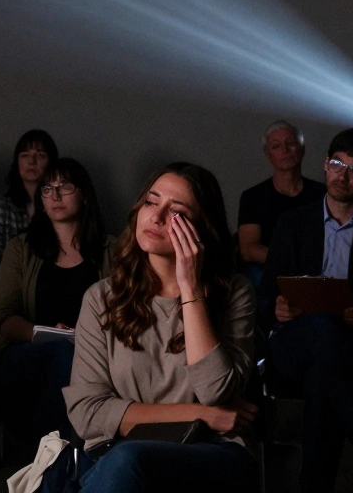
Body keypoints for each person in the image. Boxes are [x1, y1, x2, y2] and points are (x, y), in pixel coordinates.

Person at [63, 163, 258, 493]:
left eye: (177, 211)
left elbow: (216, 391)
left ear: (202, 228)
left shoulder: (235, 292)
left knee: (127, 461)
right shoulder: (101, 298)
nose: (157, 216)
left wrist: (190, 289)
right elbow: (88, 413)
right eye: (151, 202)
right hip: (118, 451)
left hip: (209, 451)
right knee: (124, 460)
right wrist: (202, 413)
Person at [257, 127, 353, 493]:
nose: (343, 175)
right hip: (292, 344)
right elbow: (264, 297)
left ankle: (314, 485)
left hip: (352, 345)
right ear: (325, 165)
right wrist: (277, 309)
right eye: (338, 164)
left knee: (321, 377)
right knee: (322, 327)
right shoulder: (293, 223)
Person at [0, 157, 106, 446]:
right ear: (41, 200)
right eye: (47, 189)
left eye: (64, 186)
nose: (55, 195)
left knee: (78, 361)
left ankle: (62, 458)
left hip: (95, 354)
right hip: (26, 353)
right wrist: (48, 334)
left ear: (85, 195)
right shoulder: (21, 249)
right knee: (63, 354)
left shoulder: (111, 249)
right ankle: (54, 458)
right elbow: (5, 318)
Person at [0, 129, 60, 334]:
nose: (31, 161)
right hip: (10, 285)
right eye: (25, 155)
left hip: (52, 284)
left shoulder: (60, 204)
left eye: (40, 155)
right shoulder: (2, 206)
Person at [236, 121, 326, 288]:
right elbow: (248, 250)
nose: (285, 150)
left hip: (314, 274)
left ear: (302, 149)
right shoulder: (253, 197)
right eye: (276, 146)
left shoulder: (323, 194)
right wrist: (293, 262)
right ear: (267, 154)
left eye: (290, 143)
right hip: (269, 272)